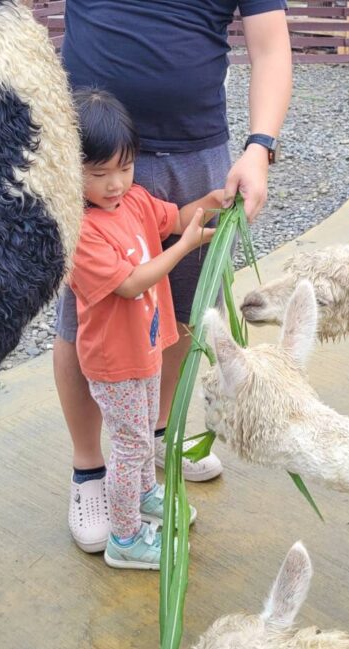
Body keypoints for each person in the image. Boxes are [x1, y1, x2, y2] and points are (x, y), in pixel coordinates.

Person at [56, 1, 291, 552]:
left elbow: (270, 44)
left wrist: (260, 148)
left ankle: (157, 438)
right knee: (83, 319)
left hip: (195, 147)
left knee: (181, 308)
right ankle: (90, 471)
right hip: (90, 147)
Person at [67, 89, 223, 567]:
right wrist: (184, 246)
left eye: (125, 167)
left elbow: (174, 218)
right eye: (98, 174)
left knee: (140, 433)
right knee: (131, 443)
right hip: (114, 362)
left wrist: (212, 202)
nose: (115, 184)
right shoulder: (80, 230)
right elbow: (132, 284)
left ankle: (143, 496)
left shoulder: (133, 201)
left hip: (147, 346)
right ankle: (125, 539)